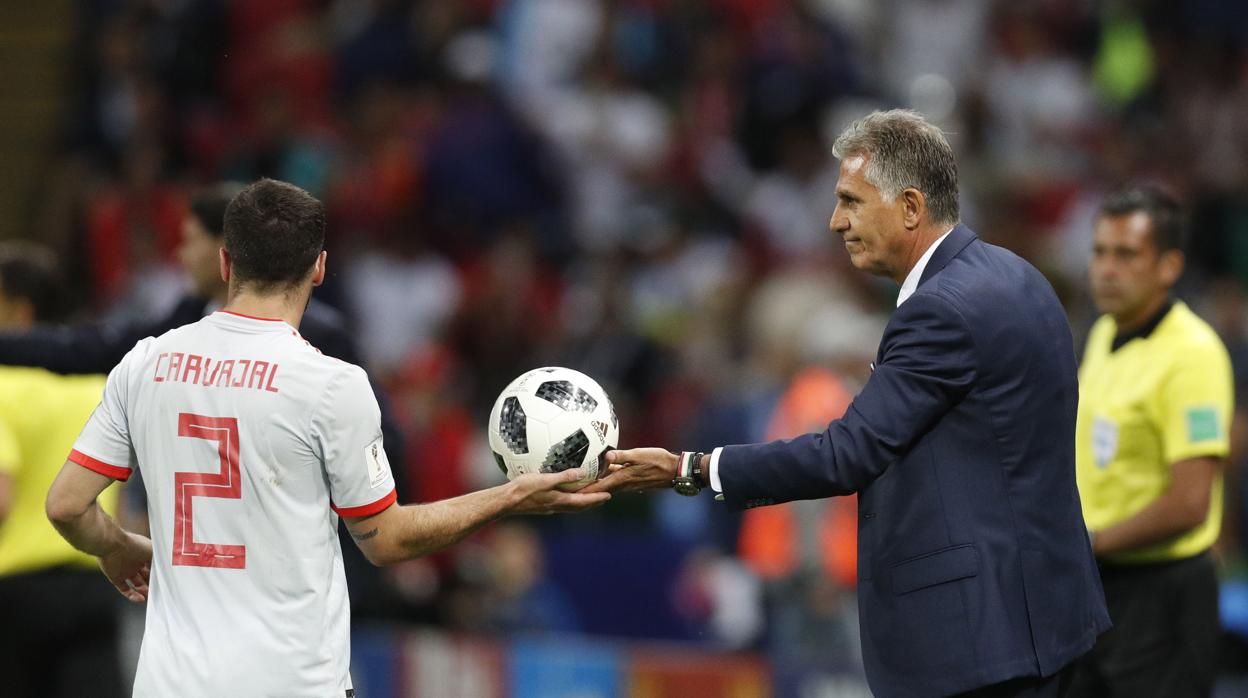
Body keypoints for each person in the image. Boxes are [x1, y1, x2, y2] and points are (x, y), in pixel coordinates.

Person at [587, 110, 1111, 697]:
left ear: (911, 207)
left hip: (976, 642)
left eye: (851, 201)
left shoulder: (939, 310)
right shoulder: (1020, 277)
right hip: (1051, 619)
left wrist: (691, 469)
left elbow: (846, 454)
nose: (836, 222)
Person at [44, 178, 609, 697]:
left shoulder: (147, 362)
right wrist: (510, 496)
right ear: (318, 267)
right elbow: (386, 539)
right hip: (291, 682)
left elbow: (67, 505)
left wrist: (116, 549)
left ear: (223, 261)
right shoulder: (331, 385)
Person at [1067, 187, 1231, 698]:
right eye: (1099, 252)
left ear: (1169, 266)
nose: (1107, 269)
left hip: (1163, 596)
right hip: (1100, 587)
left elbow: (1190, 503)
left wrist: (1086, 544)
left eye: (1127, 254)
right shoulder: (1101, 336)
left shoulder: (1193, 354)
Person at [0, 244, 123, 697]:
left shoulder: (3, 384)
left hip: (15, 597)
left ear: (19, 309)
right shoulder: (96, 385)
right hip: (93, 584)